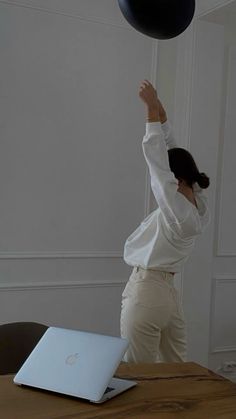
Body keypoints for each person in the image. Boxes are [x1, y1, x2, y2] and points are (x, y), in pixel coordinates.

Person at [120, 80, 210, 363]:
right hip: (168, 296)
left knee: (139, 374)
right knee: (176, 371)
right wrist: (162, 115)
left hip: (147, 292)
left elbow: (158, 164)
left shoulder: (176, 209)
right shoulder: (197, 204)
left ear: (177, 178)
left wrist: (150, 112)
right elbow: (174, 153)